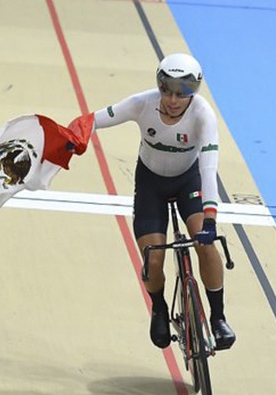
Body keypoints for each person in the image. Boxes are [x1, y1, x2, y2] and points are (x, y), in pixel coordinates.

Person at [91, 53, 235, 350]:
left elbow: (209, 168)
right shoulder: (141, 103)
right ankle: (158, 308)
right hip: (151, 184)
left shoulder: (203, 115)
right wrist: (66, 135)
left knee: (204, 244)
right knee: (153, 259)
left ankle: (218, 317)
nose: (172, 99)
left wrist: (210, 219)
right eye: (166, 90)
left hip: (188, 181)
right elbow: (94, 121)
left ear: (195, 91)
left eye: (182, 93)